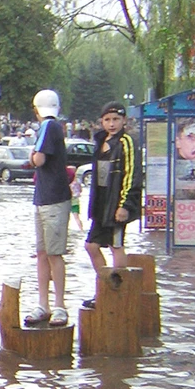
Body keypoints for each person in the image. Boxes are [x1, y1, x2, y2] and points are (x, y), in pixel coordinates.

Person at [82, 102, 142, 309]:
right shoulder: (100, 142)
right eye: (107, 120)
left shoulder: (126, 142)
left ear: (124, 121)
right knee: (91, 245)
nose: (112, 124)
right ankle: (105, 288)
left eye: (116, 119)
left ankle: (120, 294)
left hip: (117, 203)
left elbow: (132, 174)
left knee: (116, 245)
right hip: (101, 203)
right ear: (101, 122)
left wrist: (125, 205)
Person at [23, 90, 71, 328]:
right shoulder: (54, 127)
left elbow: (39, 159)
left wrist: (31, 157)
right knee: (43, 253)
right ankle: (44, 304)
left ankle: (58, 305)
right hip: (45, 197)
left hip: (52, 199)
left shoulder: (48, 127)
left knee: (53, 253)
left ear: (36, 109)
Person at [68, 164, 83, 231]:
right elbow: (81, 190)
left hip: (69, 201)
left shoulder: (69, 182)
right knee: (77, 217)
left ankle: (66, 230)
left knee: (66, 218)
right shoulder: (78, 181)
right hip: (76, 201)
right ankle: (81, 229)